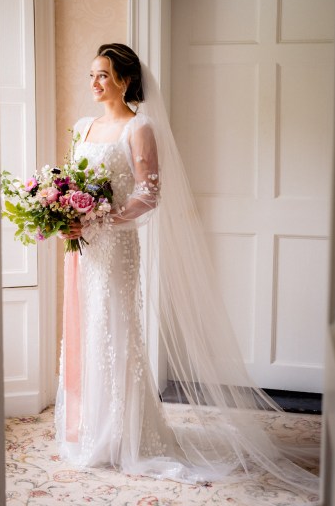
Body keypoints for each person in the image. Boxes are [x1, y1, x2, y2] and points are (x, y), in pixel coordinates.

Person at [55, 43, 319, 502]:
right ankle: (88, 427)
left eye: (102, 75)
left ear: (124, 80)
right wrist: (65, 214)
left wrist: (102, 217)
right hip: (83, 247)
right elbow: (71, 182)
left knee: (116, 330)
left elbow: (148, 193)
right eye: (91, 75)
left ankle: (124, 432)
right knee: (84, 330)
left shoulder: (139, 127)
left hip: (115, 246)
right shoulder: (83, 127)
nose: (94, 83)